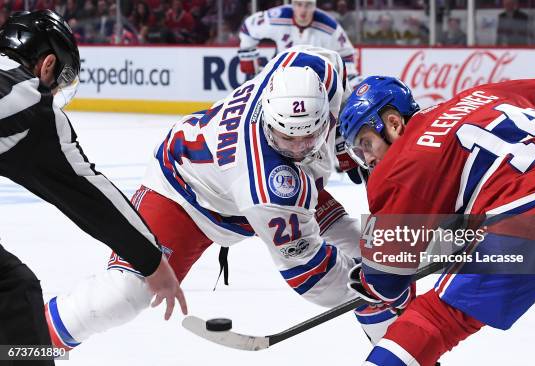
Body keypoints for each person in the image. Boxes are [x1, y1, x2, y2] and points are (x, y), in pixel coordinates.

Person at [44, 46, 396, 353]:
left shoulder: (315, 66)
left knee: (375, 249)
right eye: (286, 139)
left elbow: (329, 75)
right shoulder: (266, 184)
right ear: (267, 117)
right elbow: (310, 274)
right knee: (123, 296)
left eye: (310, 138)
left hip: (242, 183)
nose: (300, 149)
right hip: (184, 195)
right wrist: (372, 282)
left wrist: (341, 138)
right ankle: (22, 346)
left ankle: (404, 346)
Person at [340, 76, 535, 365]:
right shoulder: (484, 94)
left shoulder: (396, 167)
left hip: (531, 218)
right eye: (358, 153)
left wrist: (367, 279)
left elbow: (388, 279)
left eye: (366, 143)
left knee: (434, 318)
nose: (366, 158)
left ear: (394, 124)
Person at [0, 9, 185, 358]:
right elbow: (88, 192)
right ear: (48, 65)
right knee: (15, 293)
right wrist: (152, 261)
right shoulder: (28, 100)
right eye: (60, 79)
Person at [237, 0, 359, 86]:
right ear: (292, 4)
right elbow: (248, 27)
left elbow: (347, 54)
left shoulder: (329, 27)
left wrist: (347, 80)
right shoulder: (277, 17)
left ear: (314, 5)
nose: (303, 10)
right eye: (299, 4)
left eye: (308, 5)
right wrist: (249, 61)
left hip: (315, 83)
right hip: (279, 78)